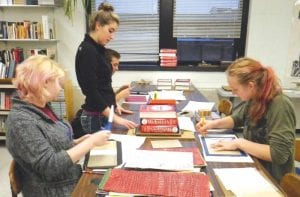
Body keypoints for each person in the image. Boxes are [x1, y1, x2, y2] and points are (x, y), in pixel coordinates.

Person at [5, 55, 110, 196]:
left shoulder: (42, 107)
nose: (61, 87)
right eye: (58, 82)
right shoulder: (21, 121)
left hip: (68, 178)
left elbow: (50, 144)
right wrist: (90, 142)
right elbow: (50, 166)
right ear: (45, 82)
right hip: (53, 191)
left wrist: (76, 142)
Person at [196, 57, 296, 183]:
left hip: (273, 179)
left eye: (235, 89)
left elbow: (278, 155)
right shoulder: (255, 98)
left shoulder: (280, 105)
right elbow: (237, 119)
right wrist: (213, 124)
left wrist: (240, 143)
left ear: (251, 85)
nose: (234, 93)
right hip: (252, 164)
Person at [75, 2, 137, 134]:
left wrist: (115, 105)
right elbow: (92, 92)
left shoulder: (99, 49)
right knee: (102, 153)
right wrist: (114, 117)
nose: (112, 36)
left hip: (103, 113)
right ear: (98, 25)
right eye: (110, 31)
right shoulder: (87, 50)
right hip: (95, 117)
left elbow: (103, 85)